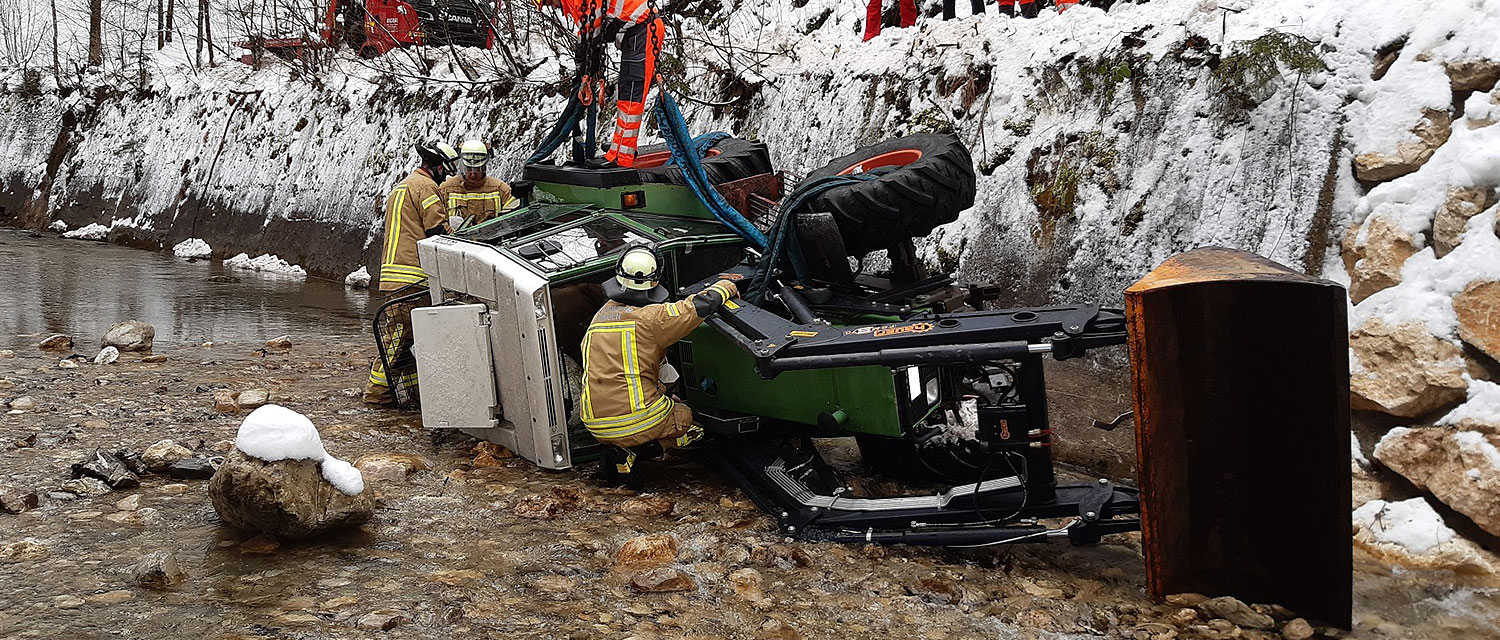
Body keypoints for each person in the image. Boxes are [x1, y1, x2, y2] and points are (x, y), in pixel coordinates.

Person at [579, 244, 739, 487]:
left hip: (594, 422)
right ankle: (645, 450)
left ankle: (619, 450)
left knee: (661, 399)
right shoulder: (651, 319)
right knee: (693, 423)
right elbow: (698, 307)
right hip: (636, 420)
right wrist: (725, 287)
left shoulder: (599, 317)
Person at [363, 141, 460, 406]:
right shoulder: (426, 187)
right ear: (438, 167)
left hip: (397, 274)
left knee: (410, 341)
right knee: (397, 338)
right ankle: (377, 393)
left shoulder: (403, 185)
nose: (446, 178)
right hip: (412, 276)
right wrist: (462, 236)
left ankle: (413, 397)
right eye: (446, 172)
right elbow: (437, 230)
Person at [538, 0, 664, 168]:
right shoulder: (575, 4)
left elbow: (592, 30)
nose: (552, 7)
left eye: (548, 2)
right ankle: (621, 147)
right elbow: (590, 33)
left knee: (631, 98)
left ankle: (622, 157)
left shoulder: (578, 2)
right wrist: (585, 70)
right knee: (627, 95)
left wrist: (585, 69)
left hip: (644, 31)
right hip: (638, 31)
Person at [438, 139, 515, 229]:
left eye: (478, 169)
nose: (473, 174)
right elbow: (436, 219)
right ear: (462, 167)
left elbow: (513, 218)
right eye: (469, 169)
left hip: (491, 241)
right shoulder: (446, 188)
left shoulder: (500, 189)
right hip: (456, 241)